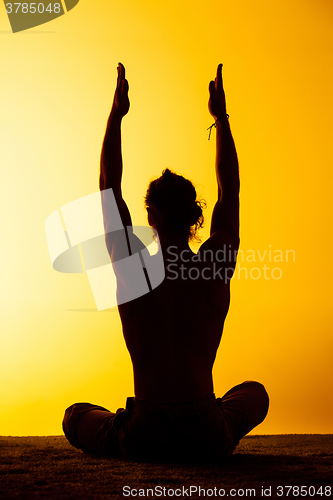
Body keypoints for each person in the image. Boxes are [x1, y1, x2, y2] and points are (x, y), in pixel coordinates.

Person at [62, 63, 269, 461]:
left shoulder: (131, 265)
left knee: (75, 416)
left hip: (145, 432)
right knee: (255, 394)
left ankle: (123, 423)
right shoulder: (214, 264)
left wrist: (116, 114)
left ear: (150, 216)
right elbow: (230, 190)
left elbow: (108, 184)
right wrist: (220, 119)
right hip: (205, 431)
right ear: (196, 217)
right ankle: (214, 418)